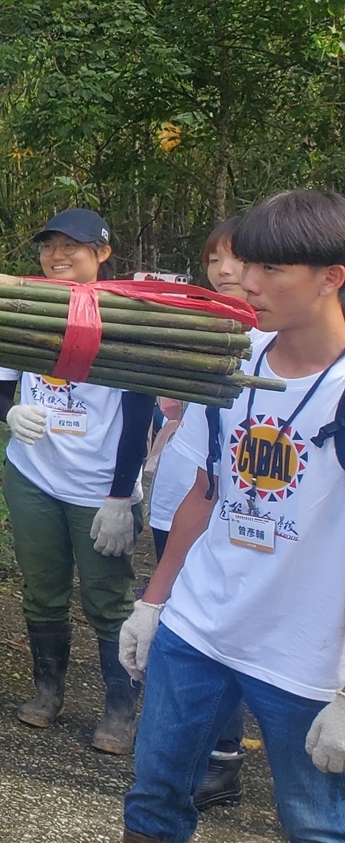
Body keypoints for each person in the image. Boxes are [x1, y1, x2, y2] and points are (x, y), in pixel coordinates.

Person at [120, 189, 345, 843]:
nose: (247, 283)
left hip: (305, 656)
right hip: (200, 628)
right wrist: (154, 602)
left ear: (333, 277)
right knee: (154, 796)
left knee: (315, 824)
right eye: (248, 263)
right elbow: (207, 489)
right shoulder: (232, 360)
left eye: (272, 269)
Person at [0, 208, 154, 755]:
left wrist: (121, 497)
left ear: (102, 253)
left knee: (108, 598)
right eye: (49, 245)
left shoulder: (129, 317)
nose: (57, 255)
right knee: (43, 590)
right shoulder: (25, 309)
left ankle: (121, 709)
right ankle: (48, 690)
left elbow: (137, 418)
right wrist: (9, 415)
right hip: (33, 476)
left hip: (100, 488)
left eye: (72, 246)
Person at [145, 217, 259, 809]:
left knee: (229, 633)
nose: (224, 272)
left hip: (246, 520)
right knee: (189, 629)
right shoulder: (208, 331)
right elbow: (181, 426)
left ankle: (222, 757)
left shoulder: (289, 356)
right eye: (213, 260)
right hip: (180, 498)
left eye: (237, 259)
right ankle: (200, 753)